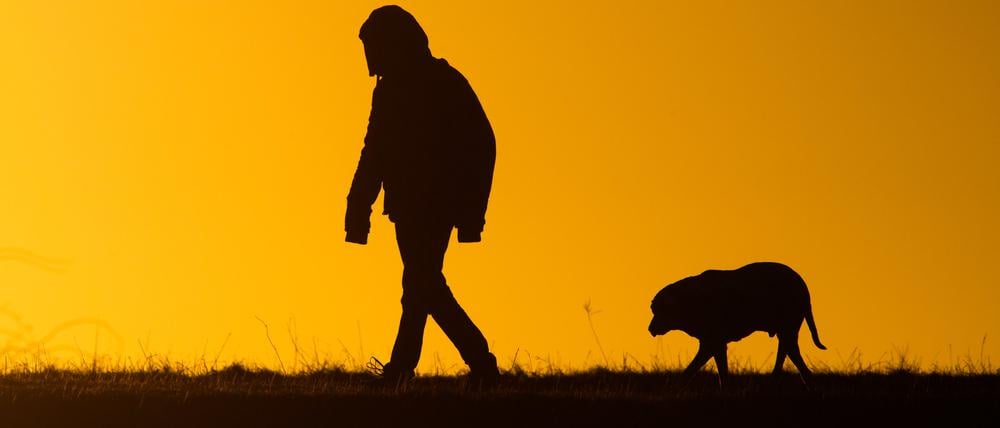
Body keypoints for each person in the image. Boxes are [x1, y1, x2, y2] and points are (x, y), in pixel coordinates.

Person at [345, 5, 499, 388]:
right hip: (406, 207)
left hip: (438, 205)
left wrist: (471, 213)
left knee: (421, 284)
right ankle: (448, 365)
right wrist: (357, 209)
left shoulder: (444, 82)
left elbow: (482, 145)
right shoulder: (388, 90)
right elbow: (375, 150)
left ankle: (461, 361)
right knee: (421, 286)